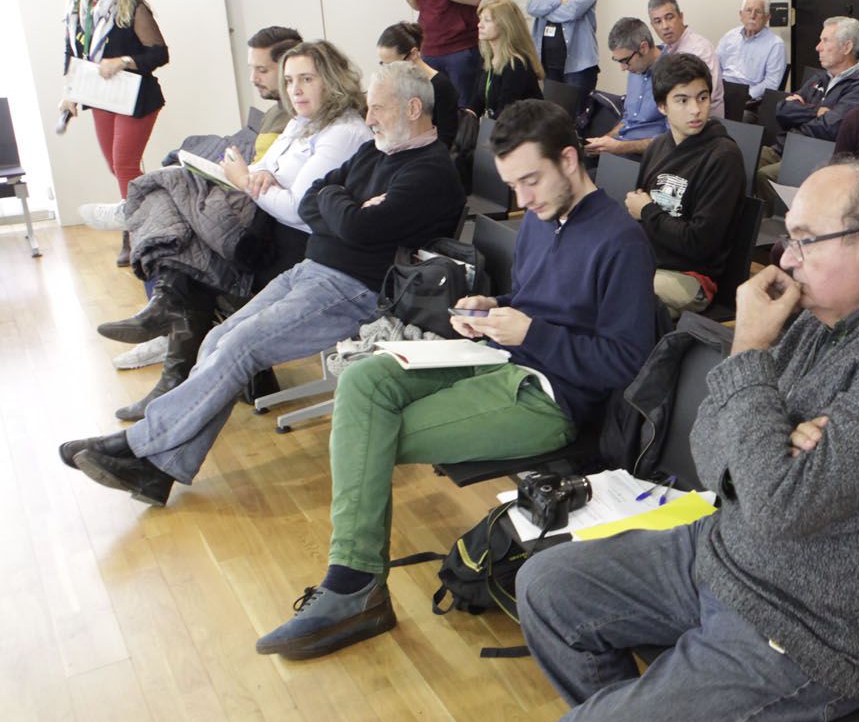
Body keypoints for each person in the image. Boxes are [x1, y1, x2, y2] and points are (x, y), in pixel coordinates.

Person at [457, 163, 859, 722]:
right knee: (546, 585)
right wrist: (771, 438)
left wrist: (749, 362)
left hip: (813, 627)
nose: (786, 259)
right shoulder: (826, 314)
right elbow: (708, 446)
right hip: (728, 551)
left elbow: (773, 503)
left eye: (803, 240)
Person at [256, 99, 657, 660]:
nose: (523, 199)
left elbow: (624, 362)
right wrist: (494, 308)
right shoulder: (544, 218)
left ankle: (353, 587)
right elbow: (539, 303)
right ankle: (354, 584)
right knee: (364, 382)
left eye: (531, 181)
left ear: (570, 159)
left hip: (550, 398)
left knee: (364, 434)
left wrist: (529, 333)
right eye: (513, 185)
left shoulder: (620, 241)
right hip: (504, 358)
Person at [57, 62, 465, 507]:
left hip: (354, 289)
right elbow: (315, 200)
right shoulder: (378, 151)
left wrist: (342, 207)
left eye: (378, 109)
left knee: (239, 348)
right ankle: (157, 472)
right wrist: (346, 205)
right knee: (217, 339)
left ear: (412, 107)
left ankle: (137, 446)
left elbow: (359, 228)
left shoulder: (430, 171)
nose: (368, 119)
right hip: (312, 272)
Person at [95, 40, 373, 421]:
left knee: (174, 203)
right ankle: (170, 350)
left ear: (332, 80)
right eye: (290, 80)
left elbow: (298, 210)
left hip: (295, 247)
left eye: (307, 79)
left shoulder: (343, 133)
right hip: (263, 232)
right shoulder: (303, 122)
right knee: (184, 245)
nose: (295, 89)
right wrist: (255, 178)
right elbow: (266, 169)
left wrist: (245, 181)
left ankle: (160, 306)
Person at [61, 0, 169, 267]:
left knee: (124, 164)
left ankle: (134, 231)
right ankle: (145, 218)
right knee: (117, 166)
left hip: (135, 98)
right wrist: (69, 94)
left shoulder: (131, 6)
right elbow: (72, 54)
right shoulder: (79, 6)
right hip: (100, 97)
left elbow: (159, 54)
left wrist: (123, 62)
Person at [624, 53, 746, 316]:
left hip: (693, 278)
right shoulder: (657, 147)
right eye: (682, 100)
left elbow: (700, 243)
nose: (696, 109)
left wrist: (646, 211)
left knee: (619, 290)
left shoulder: (723, 156)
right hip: (652, 263)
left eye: (702, 98)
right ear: (662, 106)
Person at [773, 16, 859, 146]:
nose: (818, 47)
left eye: (825, 41)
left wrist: (797, 122)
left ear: (846, 47)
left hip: (813, 157)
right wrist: (817, 112)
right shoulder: (820, 78)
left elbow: (831, 128)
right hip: (784, 148)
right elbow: (783, 110)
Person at [587, 17, 666, 157]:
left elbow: (672, 139)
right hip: (623, 147)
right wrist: (606, 139)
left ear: (644, 47)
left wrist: (619, 147)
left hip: (649, 156)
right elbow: (628, 120)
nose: (623, 68)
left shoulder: (673, 74)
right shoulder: (635, 70)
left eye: (625, 61)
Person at [377, 21, 460, 150]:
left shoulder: (441, 87)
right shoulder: (397, 83)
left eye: (392, 64)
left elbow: (446, 137)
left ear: (414, 54)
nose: (387, 70)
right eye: (383, 64)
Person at [648, 0, 724, 117]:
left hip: (705, 122)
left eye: (669, 17)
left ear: (681, 17)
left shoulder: (700, 49)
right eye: (658, 21)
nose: (665, 26)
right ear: (652, 25)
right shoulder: (665, 49)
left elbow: (704, 96)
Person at [469, 0, 544, 119]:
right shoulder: (486, 58)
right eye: (480, 19)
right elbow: (476, 102)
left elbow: (505, 113)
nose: (479, 25)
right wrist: (468, 117)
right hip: (501, 127)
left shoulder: (517, 64)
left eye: (487, 20)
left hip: (523, 131)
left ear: (506, 26)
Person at [715, 0, 788, 106]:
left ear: (767, 17)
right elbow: (715, 67)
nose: (752, 16)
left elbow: (771, 83)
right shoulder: (729, 36)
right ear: (740, 14)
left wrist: (745, 96)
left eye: (758, 12)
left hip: (749, 101)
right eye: (748, 10)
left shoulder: (775, 45)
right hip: (722, 93)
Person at [245, 25, 305, 152]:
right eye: (251, 68)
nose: (253, 78)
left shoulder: (309, 115)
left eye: (262, 70)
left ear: (289, 67)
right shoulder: (271, 114)